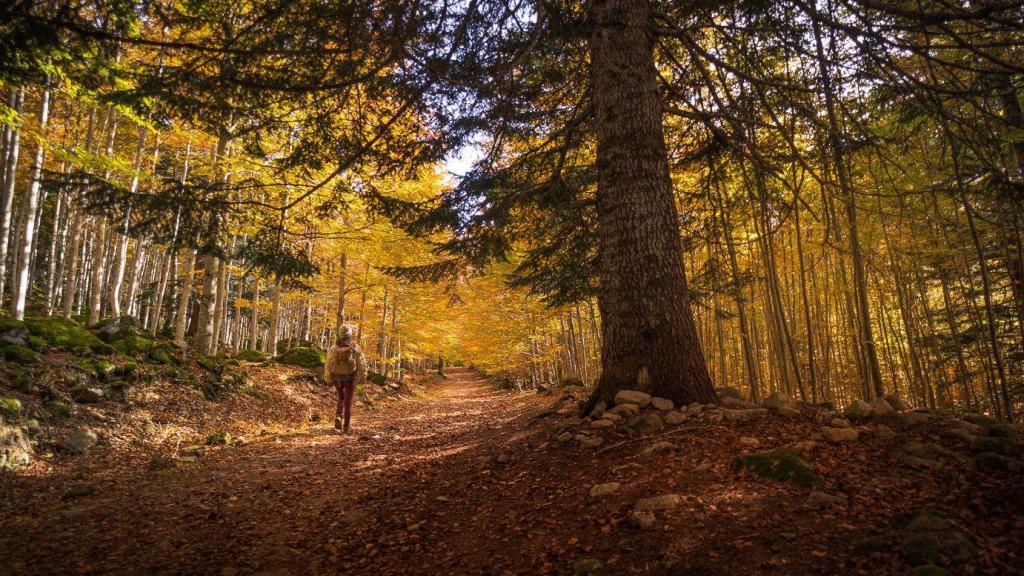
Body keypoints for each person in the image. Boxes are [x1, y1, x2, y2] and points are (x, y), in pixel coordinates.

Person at [324, 324, 367, 433]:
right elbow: (361, 363)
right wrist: (362, 376)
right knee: (348, 401)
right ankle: (347, 426)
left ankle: (338, 415)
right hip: (350, 377)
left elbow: (328, 363)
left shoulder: (334, 348)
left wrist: (328, 378)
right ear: (350, 334)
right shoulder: (354, 347)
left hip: (336, 377)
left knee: (340, 398)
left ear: (340, 334)